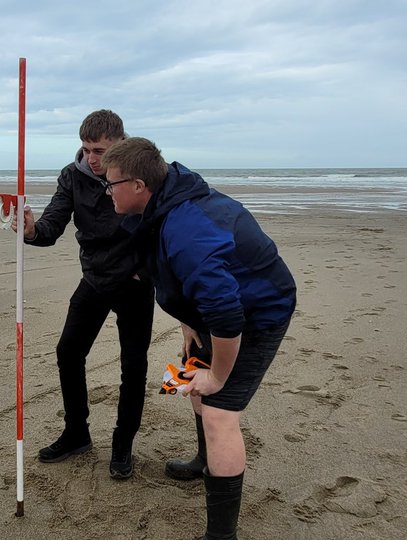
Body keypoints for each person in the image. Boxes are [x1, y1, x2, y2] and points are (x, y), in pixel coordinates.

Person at [101, 137, 296, 539]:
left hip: (258, 315)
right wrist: (189, 321)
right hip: (215, 314)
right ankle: (203, 462)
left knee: (220, 414)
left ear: (139, 185)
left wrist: (220, 377)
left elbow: (227, 315)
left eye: (111, 183)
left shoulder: (188, 229)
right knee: (192, 384)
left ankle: (221, 535)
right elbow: (178, 277)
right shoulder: (166, 200)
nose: (108, 191)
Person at [11, 110, 155, 480]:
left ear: (120, 145)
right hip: (94, 277)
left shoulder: (142, 172)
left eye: (101, 150)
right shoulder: (72, 176)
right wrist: (30, 231)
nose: (93, 158)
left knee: (133, 364)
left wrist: (148, 269)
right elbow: (51, 227)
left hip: (136, 282)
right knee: (68, 351)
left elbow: (164, 227)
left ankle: (123, 444)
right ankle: (77, 433)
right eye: (87, 149)